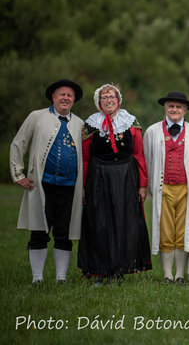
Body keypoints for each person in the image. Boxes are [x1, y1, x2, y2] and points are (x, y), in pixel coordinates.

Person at [10, 79, 84, 284]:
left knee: (64, 232)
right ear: (53, 97)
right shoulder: (37, 116)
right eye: (62, 94)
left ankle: (61, 277)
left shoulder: (79, 124)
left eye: (70, 95)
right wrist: (19, 174)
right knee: (39, 230)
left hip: (70, 187)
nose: (66, 98)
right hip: (41, 185)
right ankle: (37, 277)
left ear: (74, 100)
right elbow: (18, 143)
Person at [78, 83, 152, 286]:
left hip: (126, 175)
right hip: (98, 176)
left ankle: (118, 270)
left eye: (112, 97)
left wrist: (142, 185)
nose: (109, 100)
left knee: (123, 221)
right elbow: (85, 158)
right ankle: (98, 271)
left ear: (118, 100)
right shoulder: (90, 125)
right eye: (104, 97)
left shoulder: (131, 122)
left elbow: (139, 154)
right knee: (99, 222)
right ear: (98, 101)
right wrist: (83, 187)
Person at [144, 91, 189, 284]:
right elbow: (148, 160)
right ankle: (167, 274)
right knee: (165, 230)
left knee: (183, 230)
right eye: (171, 106)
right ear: (165, 108)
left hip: (186, 188)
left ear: (185, 110)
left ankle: (180, 275)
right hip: (164, 188)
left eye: (178, 107)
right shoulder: (152, 131)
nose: (174, 110)